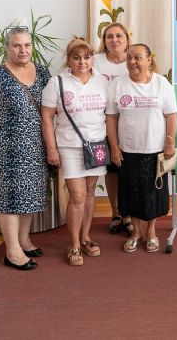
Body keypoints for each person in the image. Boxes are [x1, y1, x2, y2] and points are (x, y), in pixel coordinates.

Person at [0, 27, 51, 270]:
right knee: (9, 198)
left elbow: (51, 107)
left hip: (35, 147)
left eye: (27, 45)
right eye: (17, 45)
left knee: (30, 195)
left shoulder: (43, 72)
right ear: (7, 47)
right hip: (4, 149)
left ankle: (24, 240)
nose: (23, 50)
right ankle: (12, 251)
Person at [41, 37, 109, 266]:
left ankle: (86, 236)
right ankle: (74, 244)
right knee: (78, 196)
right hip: (69, 145)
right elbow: (47, 118)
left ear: (92, 58)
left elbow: (109, 115)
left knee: (90, 193)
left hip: (97, 145)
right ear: (68, 59)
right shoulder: (57, 82)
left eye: (87, 57)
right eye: (76, 57)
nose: (82, 62)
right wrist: (52, 148)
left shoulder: (103, 82)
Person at [106, 43, 177, 253]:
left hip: (156, 149)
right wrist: (114, 147)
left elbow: (171, 115)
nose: (132, 62)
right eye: (129, 58)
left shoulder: (161, 83)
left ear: (149, 60)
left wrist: (170, 141)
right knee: (131, 193)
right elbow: (111, 118)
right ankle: (136, 232)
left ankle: (152, 232)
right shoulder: (118, 84)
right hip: (128, 149)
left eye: (138, 58)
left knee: (153, 193)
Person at [94, 22, 132, 235]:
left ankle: (128, 214)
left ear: (127, 39)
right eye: (109, 36)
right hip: (102, 123)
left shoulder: (133, 59)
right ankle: (116, 212)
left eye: (119, 36)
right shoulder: (96, 61)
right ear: (104, 40)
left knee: (129, 169)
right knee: (112, 170)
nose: (114, 40)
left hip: (131, 122)